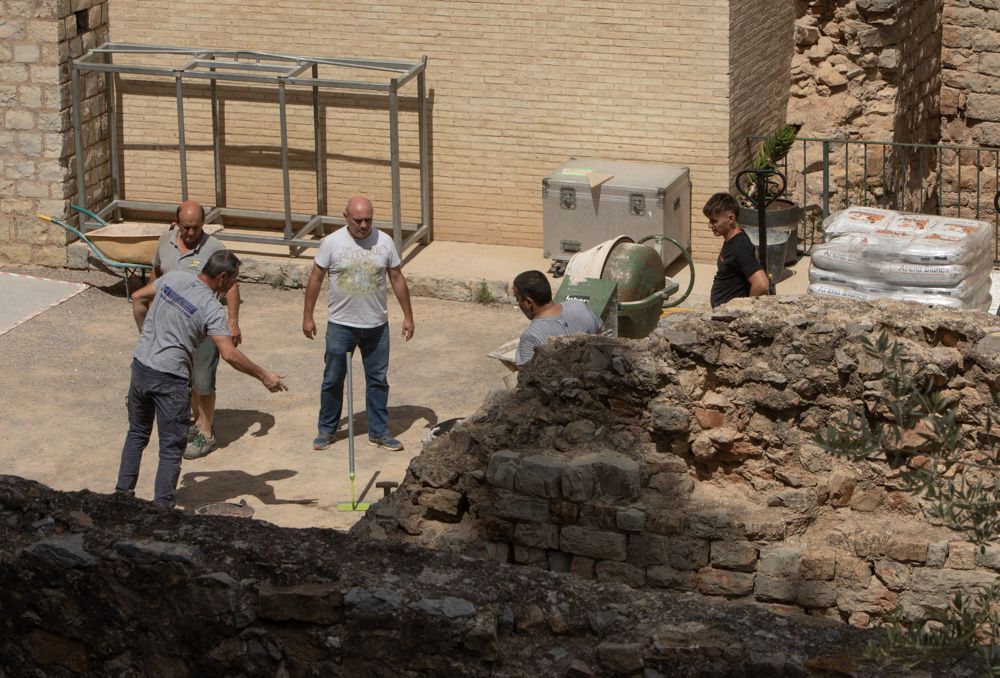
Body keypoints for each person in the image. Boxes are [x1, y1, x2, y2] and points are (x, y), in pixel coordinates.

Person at [114, 250, 287, 508]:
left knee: (137, 433)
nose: (232, 287)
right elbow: (229, 353)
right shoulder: (212, 308)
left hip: (141, 367)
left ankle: (121, 497)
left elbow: (138, 298)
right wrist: (264, 376)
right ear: (222, 277)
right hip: (170, 379)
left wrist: (146, 336)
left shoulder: (174, 279)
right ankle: (162, 509)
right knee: (171, 448)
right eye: (232, 281)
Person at [302, 195, 414, 452]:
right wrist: (308, 316)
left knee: (377, 379)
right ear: (346, 218)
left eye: (368, 220)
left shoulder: (384, 242)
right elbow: (316, 278)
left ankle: (379, 431)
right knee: (333, 378)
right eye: (358, 220)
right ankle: (327, 429)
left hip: (376, 326)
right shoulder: (331, 243)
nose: (363, 225)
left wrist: (408, 315)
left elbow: (396, 278)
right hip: (341, 325)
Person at [151, 200, 240, 459]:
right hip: (175, 329)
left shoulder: (213, 249)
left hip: (204, 328)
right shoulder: (164, 241)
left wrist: (232, 321)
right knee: (185, 379)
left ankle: (206, 434)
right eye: (186, 227)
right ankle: (195, 422)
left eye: (197, 227)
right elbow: (156, 272)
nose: (191, 233)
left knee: (203, 380)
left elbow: (232, 286)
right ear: (177, 222)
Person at [512, 270, 601, 367]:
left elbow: (526, 378)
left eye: (518, 298)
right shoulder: (580, 306)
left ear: (528, 302)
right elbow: (601, 336)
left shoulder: (531, 337)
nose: (518, 303)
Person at [703, 192, 769, 308]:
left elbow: (761, 284)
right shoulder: (732, 241)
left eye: (714, 221)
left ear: (730, 219)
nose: (710, 226)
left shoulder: (740, 246)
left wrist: (744, 312)